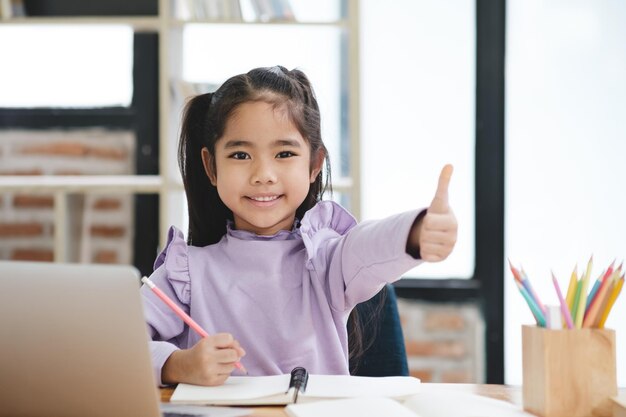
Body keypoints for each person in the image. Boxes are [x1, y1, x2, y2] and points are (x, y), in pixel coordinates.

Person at [140, 65, 457, 387]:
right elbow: (113, 347)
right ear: (211, 167)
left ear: (314, 165)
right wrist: (176, 364)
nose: (263, 174)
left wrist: (419, 231)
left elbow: (372, 244)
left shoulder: (329, 260)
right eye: (240, 155)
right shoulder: (185, 272)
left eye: (284, 153)